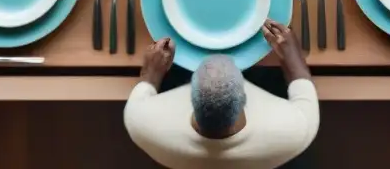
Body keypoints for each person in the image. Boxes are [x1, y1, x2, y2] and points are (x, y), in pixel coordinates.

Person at [124, 21, 319, 169]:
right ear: (245, 97)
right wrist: (294, 55)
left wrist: (150, 74)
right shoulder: (296, 131)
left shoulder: (140, 122)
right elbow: (305, 92)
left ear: (190, 96)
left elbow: (143, 90)